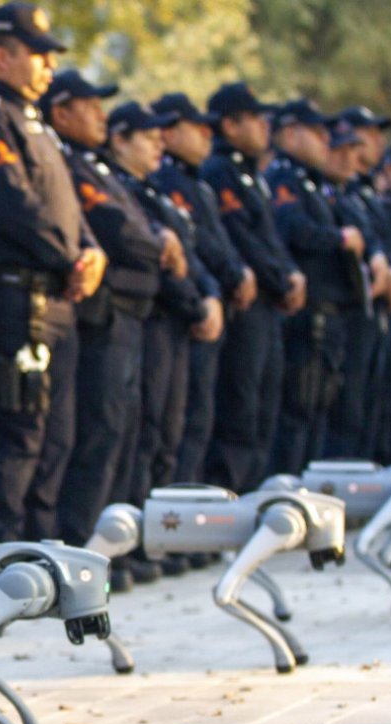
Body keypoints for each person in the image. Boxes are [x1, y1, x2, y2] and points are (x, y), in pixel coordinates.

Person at [0, 2, 105, 546]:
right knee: (18, 434)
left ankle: (44, 551)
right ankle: (8, 556)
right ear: (1, 56)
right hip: (18, 302)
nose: (47, 66)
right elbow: (15, 207)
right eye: (37, 55)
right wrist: (72, 259)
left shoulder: (34, 123)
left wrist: (91, 252)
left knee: (56, 437)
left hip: (58, 299)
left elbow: (66, 207)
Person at [44, 71, 163, 588]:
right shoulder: (68, 162)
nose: (101, 115)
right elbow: (122, 232)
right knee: (97, 433)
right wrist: (161, 247)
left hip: (130, 316)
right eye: (90, 106)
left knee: (123, 433)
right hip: (103, 318)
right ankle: (82, 549)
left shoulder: (92, 163)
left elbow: (138, 228)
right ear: (62, 111)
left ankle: (104, 550)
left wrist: (156, 242)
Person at [105, 102, 220, 537]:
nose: (159, 145)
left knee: (170, 431)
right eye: (149, 138)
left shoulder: (153, 191)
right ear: (120, 139)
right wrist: (195, 302)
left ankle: (162, 533)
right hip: (152, 318)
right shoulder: (121, 188)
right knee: (144, 433)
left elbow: (187, 256)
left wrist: (206, 294)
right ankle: (133, 539)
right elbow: (164, 266)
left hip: (176, 321)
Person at [200, 82, 303, 491]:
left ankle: (251, 495)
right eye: (256, 119)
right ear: (230, 124)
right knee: (239, 410)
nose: (266, 127)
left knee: (263, 409)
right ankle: (229, 497)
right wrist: (281, 278)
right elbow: (241, 237)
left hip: (268, 305)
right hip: (245, 307)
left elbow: (271, 237)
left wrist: (290, 275)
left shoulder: (249, 172)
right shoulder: (219, 170)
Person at [151, 93, 254, 497]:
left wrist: (220, 284)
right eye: (198, 127)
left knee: (197, 421)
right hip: (181, 317)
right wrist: (208, 294)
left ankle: (193, 520)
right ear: (171, 133)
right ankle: (174, 523)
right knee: (175, 426)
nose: (207, 135)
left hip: (209, 304)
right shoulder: (168, 183)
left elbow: (206, 247)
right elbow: (196, 252)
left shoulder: (197, 182)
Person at [264, 99, 365, 474]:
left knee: (317, 413)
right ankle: (289, 491)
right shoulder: (284, 178)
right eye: (318, 132)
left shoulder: (310, 182)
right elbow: (292, 229)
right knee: (297, 412)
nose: (327, 140)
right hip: (308, 317)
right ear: (291, 133)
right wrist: (338, 237)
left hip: (331, 316)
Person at [318, 116, 389, 461]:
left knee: (364, 407)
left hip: (364, 310)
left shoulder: (355, 194)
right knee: (333, 412)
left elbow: (372, 238)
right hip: (329, 313)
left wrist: (377, 257)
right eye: (342, 148)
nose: (351, 156)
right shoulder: (323, 190)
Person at [337, 106, 391, 461]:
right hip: (347, 312)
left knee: (370, 405)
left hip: (372, 311)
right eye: (366, 133)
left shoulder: (364, 195)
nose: (373, 142)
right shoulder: (346, 192)